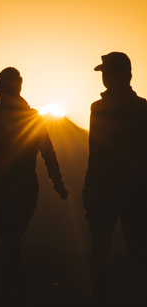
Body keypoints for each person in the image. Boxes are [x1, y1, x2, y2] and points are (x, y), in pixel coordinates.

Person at [0, 67, 68, 294]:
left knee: (10, 238)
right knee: (12, 236)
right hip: (25, 185)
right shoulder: (31, 116)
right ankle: (16, 286)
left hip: (0, 186)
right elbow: (48, 152)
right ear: (18, 87)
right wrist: (58, 183)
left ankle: (13, 287)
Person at [83, 52, 147, 302]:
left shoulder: (99, 108)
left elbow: (95, 152)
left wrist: (90, 188)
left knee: (100, 249)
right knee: (137, 249)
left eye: (107, 72)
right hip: (137, 189)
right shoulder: (142, 108)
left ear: (124, 75)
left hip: (105, 189)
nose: (105, 78)